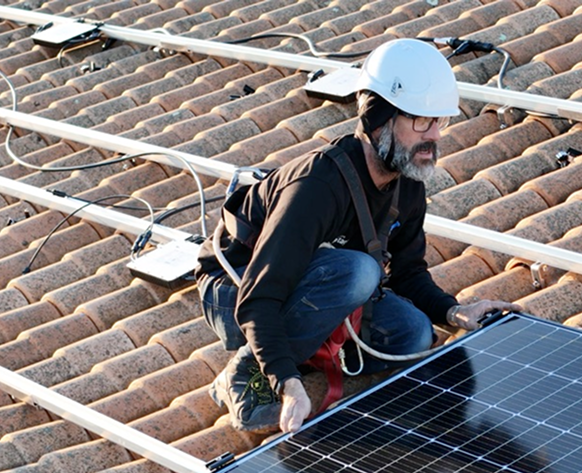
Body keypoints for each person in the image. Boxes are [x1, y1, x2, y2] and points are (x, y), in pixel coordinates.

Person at [195, 38, 520, 435]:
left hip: (317, 290)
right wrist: (287, 381)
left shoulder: (408, 182)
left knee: (414, 335)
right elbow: (260, 296)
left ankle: (308, 346)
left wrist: (453, 312)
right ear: (378, 118)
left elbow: (409, 275)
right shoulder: (316, 186)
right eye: (420, 121)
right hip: (235, 290)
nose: (433, 136)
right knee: (359, 272)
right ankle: (248, 370)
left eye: (439, 122)